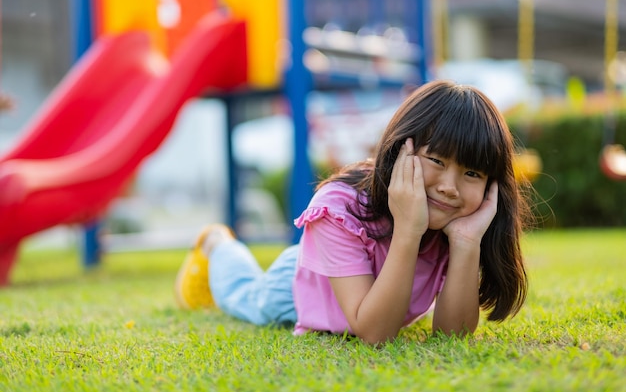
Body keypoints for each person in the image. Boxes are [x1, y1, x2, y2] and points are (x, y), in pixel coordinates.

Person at [174, 79, 532, 345]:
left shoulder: (452, 223)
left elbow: (451, 337)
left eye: (472, 173)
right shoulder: (338, 208)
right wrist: (408, 229)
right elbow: (375, 334)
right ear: (399, 151)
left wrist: (467, 243)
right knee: (246, 297)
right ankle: (217, 246)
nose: (450, 187)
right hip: (299, 287)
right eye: (436, 160)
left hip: (366, 292)